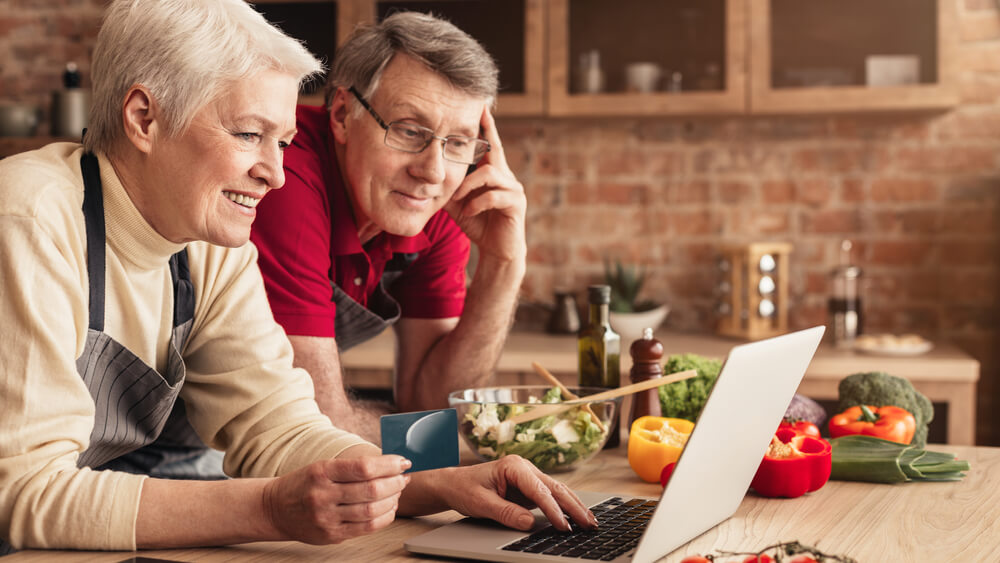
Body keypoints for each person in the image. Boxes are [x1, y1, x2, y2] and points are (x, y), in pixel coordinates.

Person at [0, 0, 594, 554]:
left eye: (282, 141)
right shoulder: (30, 218)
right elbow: (21, 494)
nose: (275, 175)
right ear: (144, 118)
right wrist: (268, 508)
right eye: (248, 134)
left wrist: (442, 484)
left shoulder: (208, 243)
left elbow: (280, 427)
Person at [249, 12, 527, 442]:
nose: (433, 172)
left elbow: (434, 403)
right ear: (342, 114)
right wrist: (442, 447)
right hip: (159, 454)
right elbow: (317, 427)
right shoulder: (287, 174)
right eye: (410, 131)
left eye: (457, 143)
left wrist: (504, 262)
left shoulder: (437, 202)